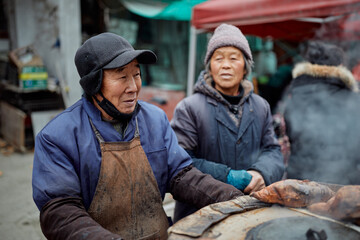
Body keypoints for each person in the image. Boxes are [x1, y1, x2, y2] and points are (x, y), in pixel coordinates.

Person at [31, 32, 244, 240]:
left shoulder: (155, 119)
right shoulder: (57, 137)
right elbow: (60, 213)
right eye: (122, 76)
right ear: (93, 84)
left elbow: (181, 176)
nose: (133, 87)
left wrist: (235, 199)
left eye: (136, 74)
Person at [170, 24, 285, 222]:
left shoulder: (260, 106)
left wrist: (261, 172)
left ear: (245, 66)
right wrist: (227, 176)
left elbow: (273, 151)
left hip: (250, 210)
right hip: (200, 215)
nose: (225, 65)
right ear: (210, 66)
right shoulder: (189, 108)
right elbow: (180, 162)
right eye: (218, 58)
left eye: (234, 58)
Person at [283, 41, 360, 185]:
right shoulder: (353, 99)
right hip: (342, 183)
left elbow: (292, 134)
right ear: (340, 67)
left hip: (299, 182)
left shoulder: (293, 94)